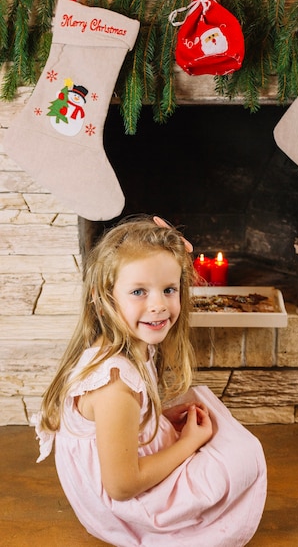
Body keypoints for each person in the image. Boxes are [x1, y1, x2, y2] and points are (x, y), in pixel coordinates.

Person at [32, 215, 267, 547]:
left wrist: (156, 421)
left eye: (168, 289)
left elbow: (118, 428)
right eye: (139, 291)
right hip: (126, 506)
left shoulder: (130, 347)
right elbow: (122, 486)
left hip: (124, 479)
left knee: (212, 417)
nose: (158, 305)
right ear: (104, 299)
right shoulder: (115, 385)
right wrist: (188, 444)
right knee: (244, 456)